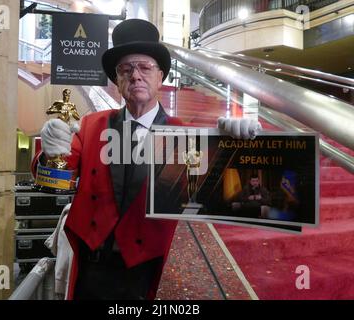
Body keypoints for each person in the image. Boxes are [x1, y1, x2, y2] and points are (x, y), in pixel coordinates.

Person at [33, 18, 262, 300]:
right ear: (117, 80)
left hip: (141, 272)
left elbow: (229, 186)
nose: (135, 75)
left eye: (144, 67)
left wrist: (232, 144)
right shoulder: (91, 125)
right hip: (90, 270)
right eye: (125, 69)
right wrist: (51, 153)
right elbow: (56, 178)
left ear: (160, 77)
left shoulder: (184, 135)